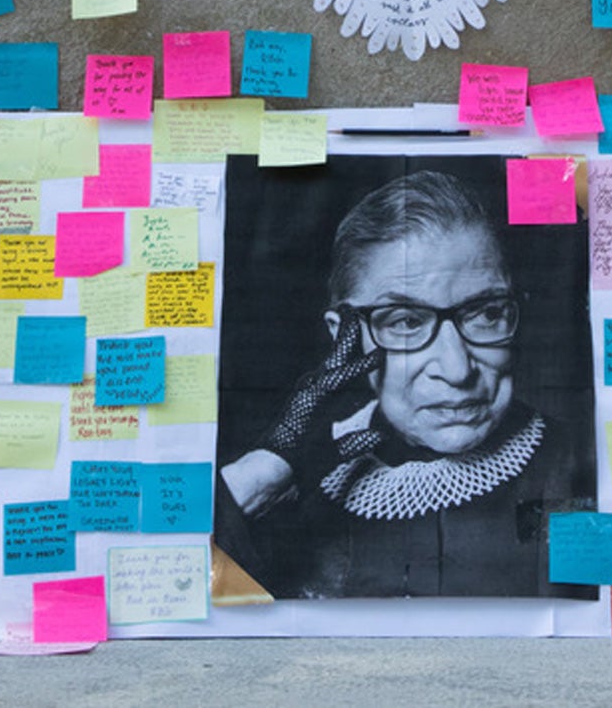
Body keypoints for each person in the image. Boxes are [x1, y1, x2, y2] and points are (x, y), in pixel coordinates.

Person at [215, 168, 588, 599]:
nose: (456, 369)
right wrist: (259, 475)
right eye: (406, 322)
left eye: (486, 314)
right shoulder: (293, 485)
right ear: (345, 338)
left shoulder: (579, 466)